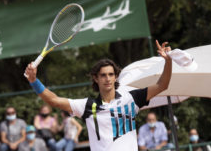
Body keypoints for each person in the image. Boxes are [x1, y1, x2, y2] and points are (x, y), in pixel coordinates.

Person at [24, 40, 172, 151]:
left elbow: (162, 85)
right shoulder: (87, 106)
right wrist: (33, 80)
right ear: (96, 78)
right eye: (103, 75)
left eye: (111, 74)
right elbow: (54, 100)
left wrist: (168, 61)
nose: (107, 78)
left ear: (115, 77)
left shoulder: (131, 98)